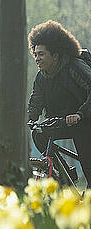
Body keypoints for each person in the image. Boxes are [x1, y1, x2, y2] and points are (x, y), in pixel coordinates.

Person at [27, 20, 91, 187]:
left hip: (85, 122)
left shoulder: (74, 68)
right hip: (62, 121)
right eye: (35, 54)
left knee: (88, 165)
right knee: (39, 133)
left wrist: (80, 114)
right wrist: (29, 119)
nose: (37, 58)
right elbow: (36, 101)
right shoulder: (42, 76)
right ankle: (64, 172)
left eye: (41, 54)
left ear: (55, 56)